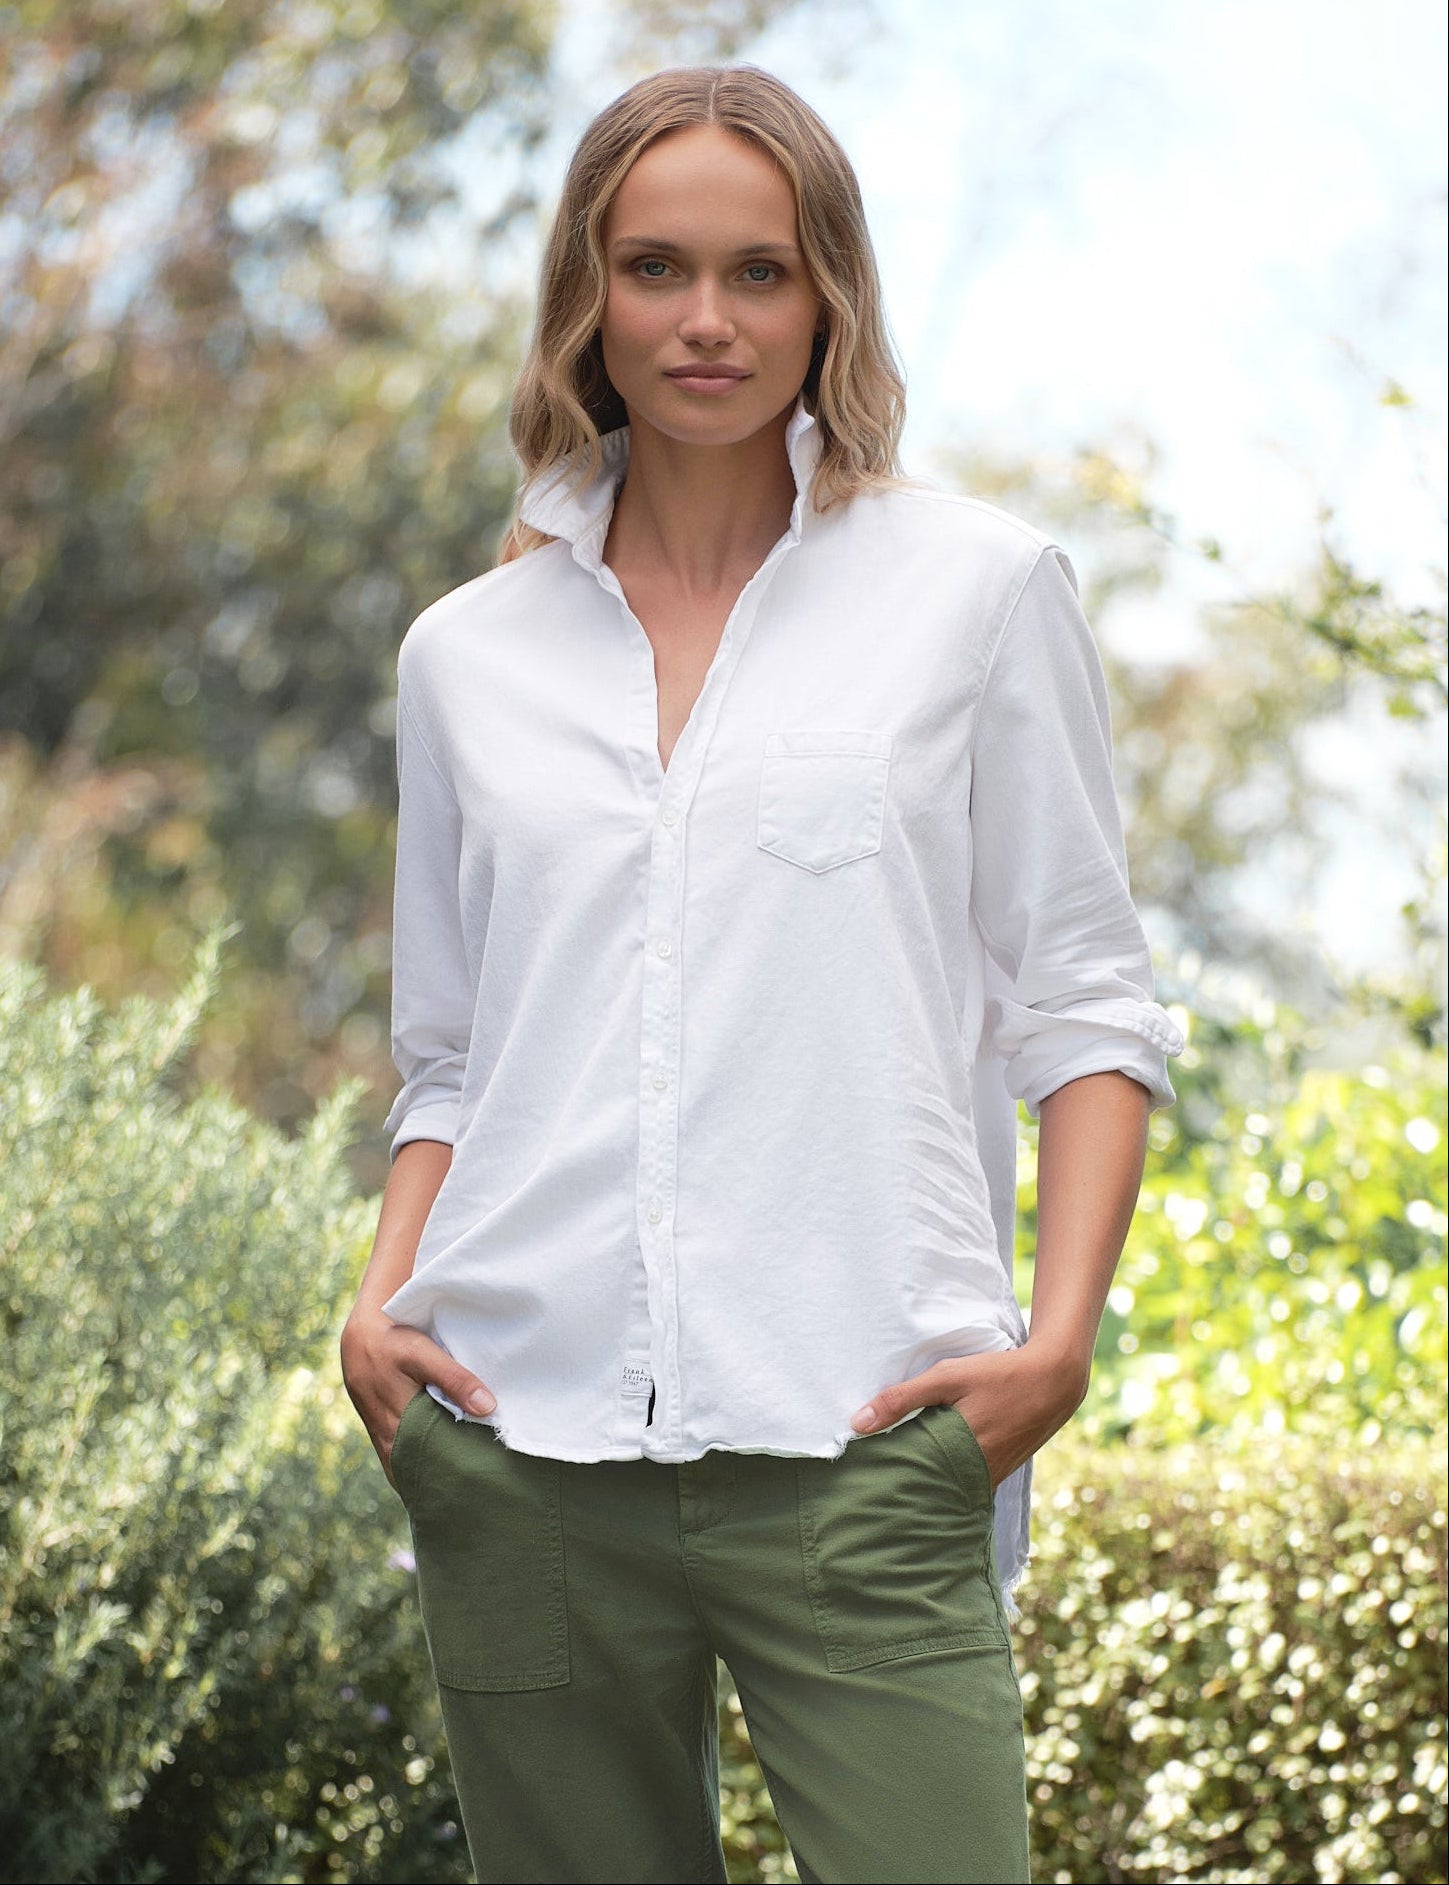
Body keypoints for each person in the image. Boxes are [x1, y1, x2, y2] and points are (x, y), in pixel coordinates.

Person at [340, 62, 1185, 1885]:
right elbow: (452, 1055)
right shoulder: (465, 659)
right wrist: (376, 1301)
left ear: (828, 300)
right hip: (517, 1443)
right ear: (587, 295)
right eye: (654, 268)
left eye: (758, 272)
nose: (705, 320)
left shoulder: (974, 591)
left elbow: (1085, 1006)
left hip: (864, 1439)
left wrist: (1053, 1347)